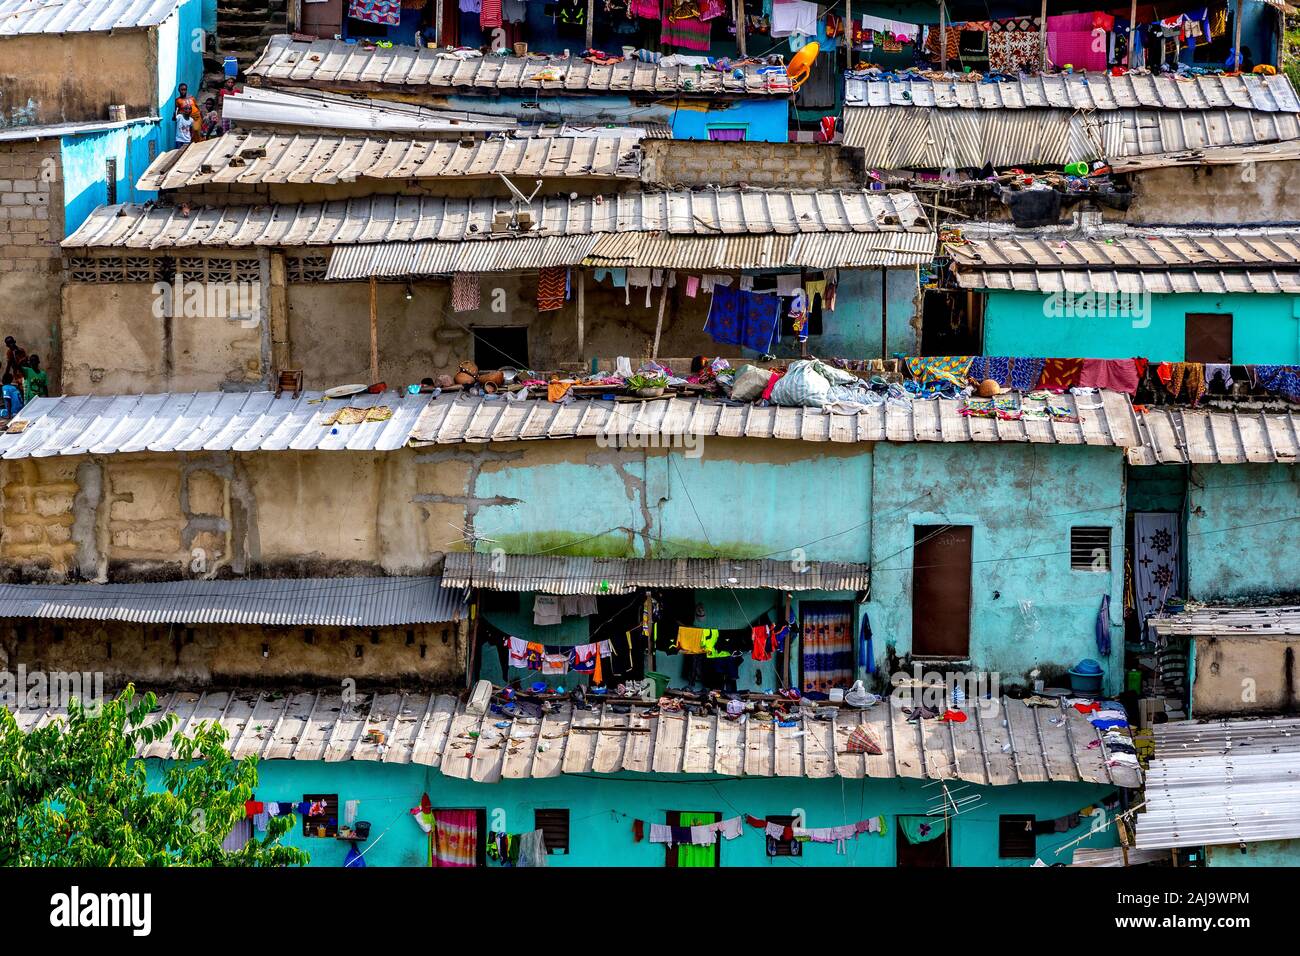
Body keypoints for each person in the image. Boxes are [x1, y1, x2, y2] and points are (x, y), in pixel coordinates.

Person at [174, 83, 198, 148]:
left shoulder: (192, 97)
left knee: (196, 136)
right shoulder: (178, 100)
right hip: (185, 120)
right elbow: (176, 111)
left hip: (195, 119)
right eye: (182, 90)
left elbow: (196, 107)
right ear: (179, 90)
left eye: (185, 90)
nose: (183, 91)